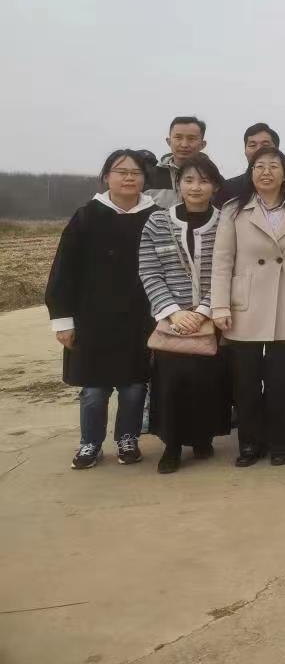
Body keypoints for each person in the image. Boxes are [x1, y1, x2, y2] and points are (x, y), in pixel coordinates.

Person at [47, 150, 158, 469]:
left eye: (135, 172)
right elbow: (64, 270)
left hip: (140, 319)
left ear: (144, 179)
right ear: (107, 176)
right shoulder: (87, 216)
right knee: (94, 390)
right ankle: (90, 443)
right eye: (121, 171)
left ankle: (127, 439)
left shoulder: (156, 216)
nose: (128, 178)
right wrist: (63, 320)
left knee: (134, 387)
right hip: (92, 319)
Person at [211, 146, 285, 466]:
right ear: (251, 173)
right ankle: (249, 444)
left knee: (278, 381)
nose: (266, 172)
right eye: (259, 166)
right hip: (244, 303)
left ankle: (280, 443)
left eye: (274, 166)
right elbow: (222, 261)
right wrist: (220, 306)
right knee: (245, 381)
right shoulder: (234, 209)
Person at [137, 154, 230, 473]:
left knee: (207, 381)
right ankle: (172, 445)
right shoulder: (158, 222)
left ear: (215, 186)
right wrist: (174, 312)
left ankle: (203, 438)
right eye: (188, 180)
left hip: (211, 315)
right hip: (171, 320)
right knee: (171, 382)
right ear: (179, 184)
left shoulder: (225, 223)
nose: (195, 187)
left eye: (204, 181)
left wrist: (203, 311)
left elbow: (228, 270)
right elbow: (149, 270)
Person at [218, 123, 285, 208]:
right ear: (245, 150)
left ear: (277, 150)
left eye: (265, 145)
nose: (258, 149)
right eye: (252, 145)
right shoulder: (229, 188)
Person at [145, 116, 209, 208]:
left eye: (191, 138)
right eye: (178, 137)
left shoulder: (212, 177)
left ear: (203, 144)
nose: (184, 144)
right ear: (169, 141)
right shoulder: (149, 177)